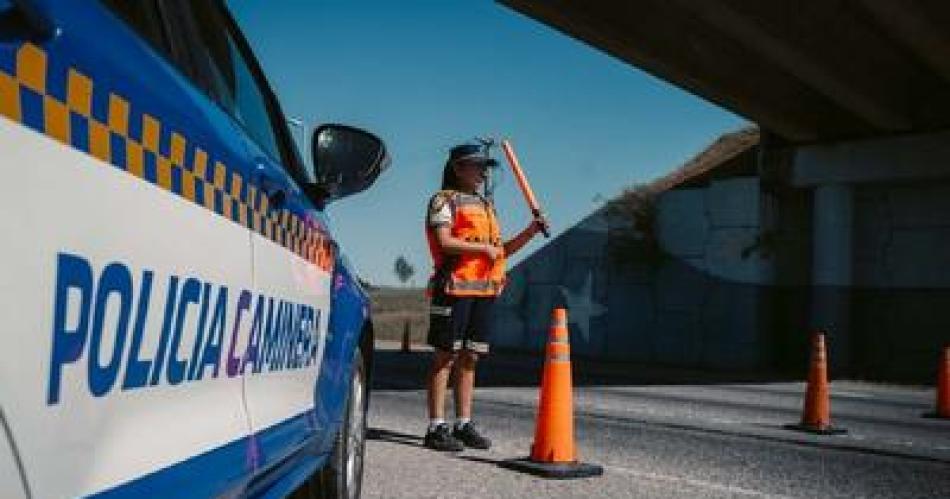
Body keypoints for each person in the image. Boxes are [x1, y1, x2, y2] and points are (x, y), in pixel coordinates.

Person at [422, 142, 548, 451]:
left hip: (484, 291)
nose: (482, 173)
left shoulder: (486, 205)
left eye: (484, 167)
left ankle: (463, 423)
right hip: (453, 287)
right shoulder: (443, 201)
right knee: (444, 357)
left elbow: (499, 251)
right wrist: (482, 249)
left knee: (471, 357)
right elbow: (445, 241)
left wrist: (531, 232)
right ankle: (436, 427)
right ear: (457, 168)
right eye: (476, 166)